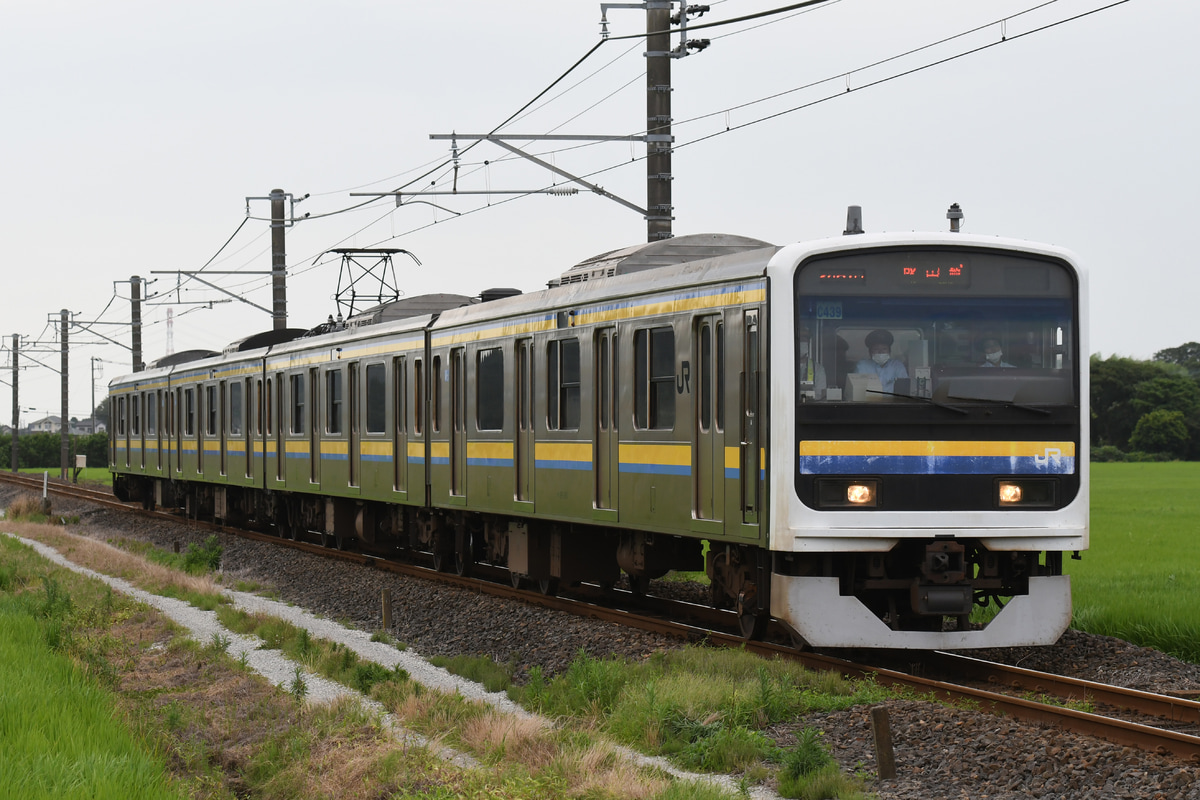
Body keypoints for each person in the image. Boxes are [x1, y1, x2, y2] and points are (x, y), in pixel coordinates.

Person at [855, 329, 908, 393]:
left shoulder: (897, 366)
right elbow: (857, 390)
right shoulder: (862, 366)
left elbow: (903, 389)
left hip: (894, 402)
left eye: (884, 349)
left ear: (890, 351)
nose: (881, 352)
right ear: (870, 352)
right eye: (876, 349)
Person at [798, 327, 827, 400]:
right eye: (800, 339)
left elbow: (822, 393)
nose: (802, 343)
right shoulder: (784, 367)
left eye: (804, 340)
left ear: (808, 343)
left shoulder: (818, 369)